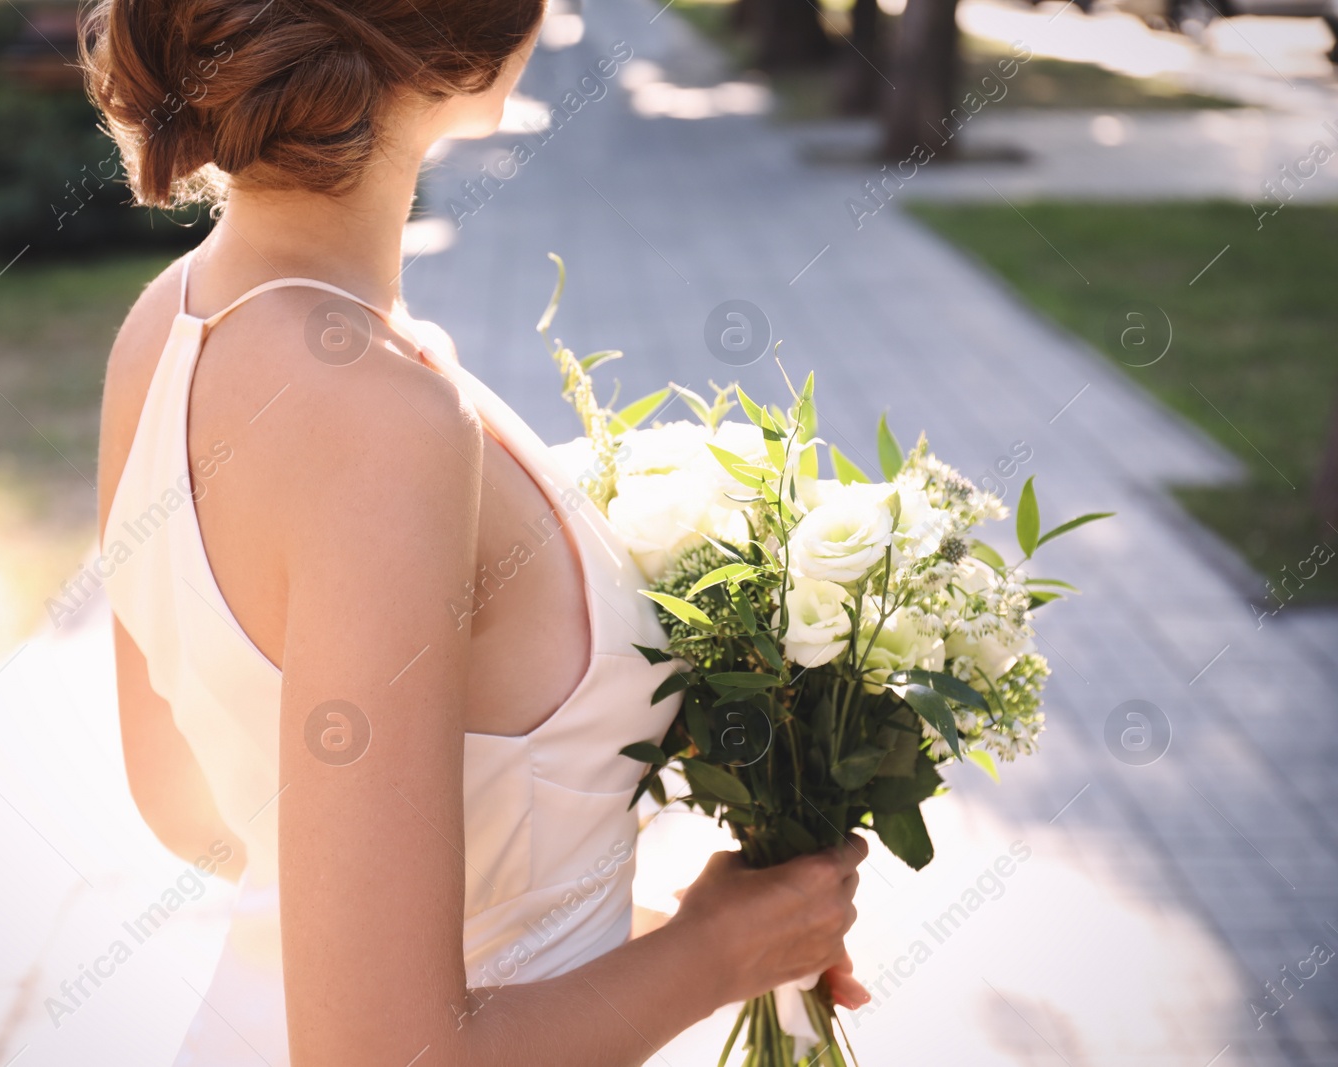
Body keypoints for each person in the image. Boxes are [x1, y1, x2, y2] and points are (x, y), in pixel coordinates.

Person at [84, 0, 869, 1061]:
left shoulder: (166, 324)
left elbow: (193, 805)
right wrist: (716, 949)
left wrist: (579, 919)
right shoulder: (382, 417)